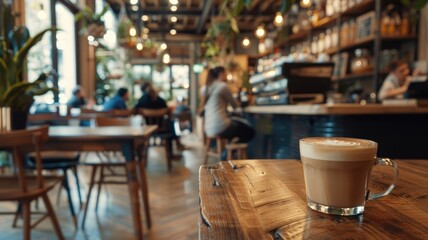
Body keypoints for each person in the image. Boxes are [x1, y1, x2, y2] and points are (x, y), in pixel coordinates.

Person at [201, 66, 255, 144]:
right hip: (220, 126)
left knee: (235, 127)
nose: (226, 76)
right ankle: (228, 152)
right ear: (221, 74)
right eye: (225, 74)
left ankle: (227, 150)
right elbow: (235, 106)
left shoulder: (205, 88)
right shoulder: (223, 86)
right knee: (249, 131)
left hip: (207, 127)